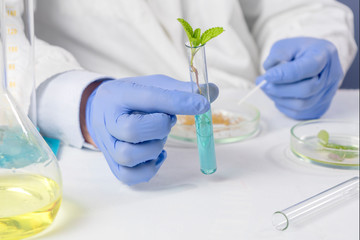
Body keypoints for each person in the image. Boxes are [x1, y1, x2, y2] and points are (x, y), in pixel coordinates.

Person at [14, 0, 359, 185]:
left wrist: (313, 38)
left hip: (261, 126)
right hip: (110, 148)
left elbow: (294, 7)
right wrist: (82, 100)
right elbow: (7, 40)